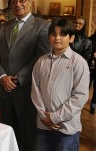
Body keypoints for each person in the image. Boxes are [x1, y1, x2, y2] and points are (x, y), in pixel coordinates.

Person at [0, 0, 51, 151]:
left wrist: (19, 78)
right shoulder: (3, 27)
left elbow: (41, 57)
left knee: (28, 136)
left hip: (26, 90)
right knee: (8, 133)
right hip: (5, 90)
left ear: (30, 2)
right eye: (14, 2)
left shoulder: (42, 26)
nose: (18, 4)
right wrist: (2, 77)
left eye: (22, 0)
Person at [31, 18, 89, 151]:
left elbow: (80, 96)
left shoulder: (78, 63)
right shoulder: (41, 61)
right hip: (43, 125)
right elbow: (35, 90)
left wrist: (55, 117)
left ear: (71, 38)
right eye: (53, 34)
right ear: (49, 37)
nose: (57, 38)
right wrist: (44, 116)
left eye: (63, 34)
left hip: (66, 128)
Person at [89, 31, 96, 115]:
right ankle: (80, 105)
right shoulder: (91, 39)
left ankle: (93, 106)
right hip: (89, 68)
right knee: (86, 87)